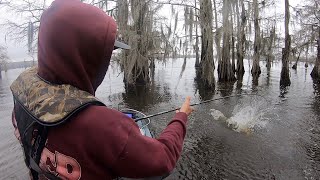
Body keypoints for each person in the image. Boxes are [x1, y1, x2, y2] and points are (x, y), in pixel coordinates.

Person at [10, 0, 193, 179]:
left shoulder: (22, 98)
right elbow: (163, 159)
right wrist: (181, 117)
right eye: (104, 52)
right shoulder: (103, 125)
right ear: (85, 55)